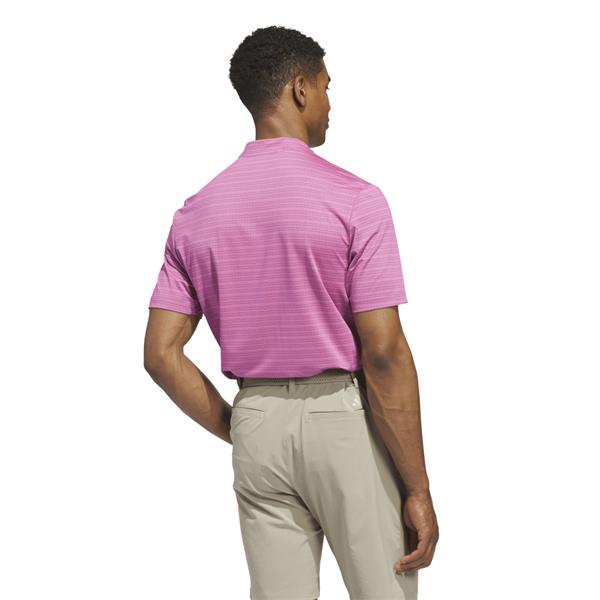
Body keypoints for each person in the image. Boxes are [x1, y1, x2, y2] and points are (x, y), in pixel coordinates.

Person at [144, 24, 438, 600]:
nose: (330, 103)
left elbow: (160, 354)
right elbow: (383, 352)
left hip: (257, 425)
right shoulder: (355, 200)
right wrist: (418, 488)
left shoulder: (195, 214)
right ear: (300, 89)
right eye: (327, 86)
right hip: (343, 422)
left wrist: (241, 423)